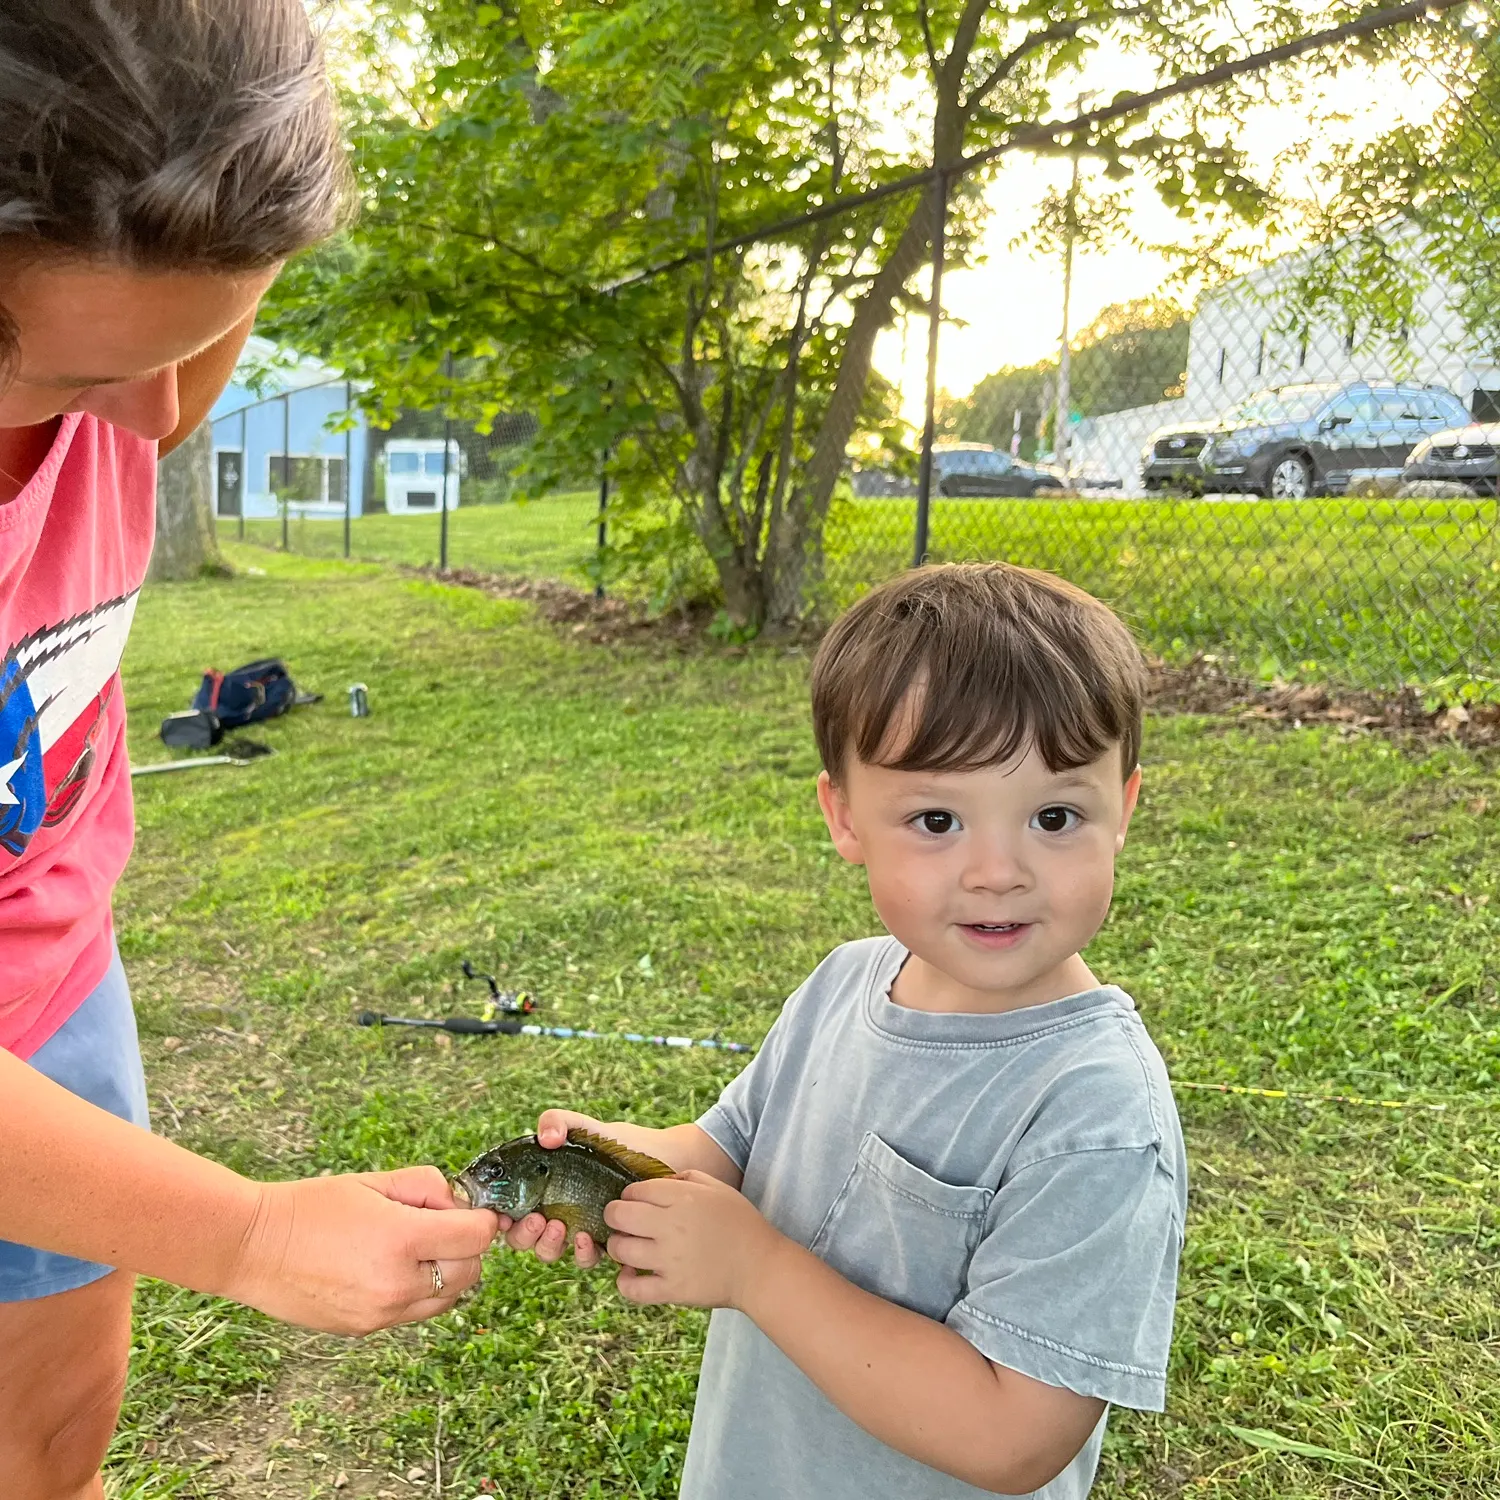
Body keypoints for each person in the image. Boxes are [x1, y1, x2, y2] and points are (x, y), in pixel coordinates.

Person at [0, 7, 499, 1498]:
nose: (150, 423)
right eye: (80, 379)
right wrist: (249, 1234)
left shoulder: (135, 343)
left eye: (209, 333)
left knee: (49, 1445)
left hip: (58, 973)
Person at [500, 561, 1187, 1498]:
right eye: (938, 818)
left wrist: (754, 1270)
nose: (998, 871)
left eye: (1054, 816)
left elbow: (1015, 1436)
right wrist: (606, 1164)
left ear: (1126, 810)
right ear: (845, 816)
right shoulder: (843, 983)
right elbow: (726, 1151)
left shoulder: (1095, 1111)